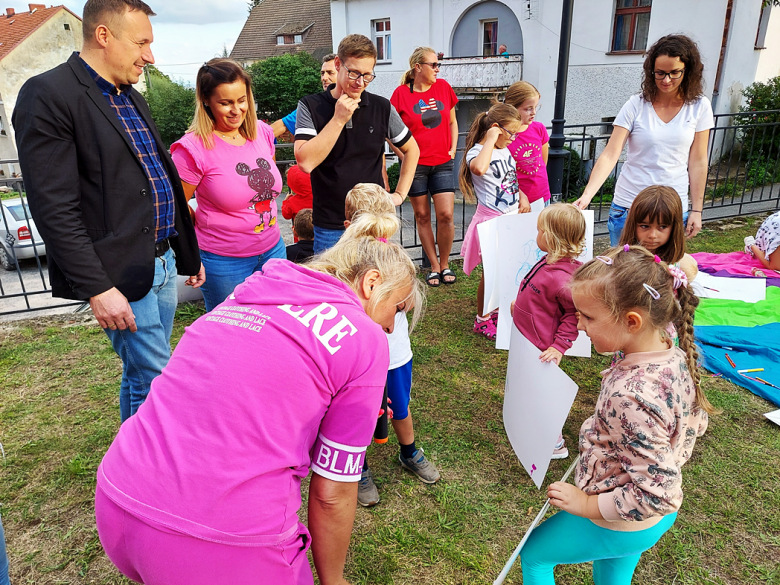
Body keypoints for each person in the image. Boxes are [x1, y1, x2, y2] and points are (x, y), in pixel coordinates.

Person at [94, 211, 425, 585]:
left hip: (118, 499)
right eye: (397, 309)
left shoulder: (248, 293)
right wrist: (334, 580)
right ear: (371, 283)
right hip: (219, 541)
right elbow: (333, 491)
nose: (391, 326)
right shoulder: (364, 337)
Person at [12, 0, 204, 422]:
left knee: (141, 376)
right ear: (103, 36)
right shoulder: (47, 95)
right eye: (141, 43)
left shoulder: (130, 95)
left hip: (162, 260)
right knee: (158, 377)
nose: (150, 57)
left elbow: (158, 177)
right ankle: (153, 478)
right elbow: (54, 207)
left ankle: (132, 467)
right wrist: (98, 287)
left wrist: (185, 252)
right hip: (119, 272)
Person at [520, 245, 716, 584]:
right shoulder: (668, 345)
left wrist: (585, 505)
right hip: (644, 522)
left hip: (620, 519)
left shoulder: (631, 396)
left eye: (588, 316)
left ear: (632, 321)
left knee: (535, 555)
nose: (579, 325)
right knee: (612, 573)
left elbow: (658, 492)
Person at [341, 183, 440, 507]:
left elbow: (409, 303)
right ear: (349, 227)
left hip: (395, 356)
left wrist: (398, 298)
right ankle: (359, 468)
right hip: (359, 362)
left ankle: (409, 452)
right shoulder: (342, 266)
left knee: (399, 405)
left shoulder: (396, 257)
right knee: (360, 415)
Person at [573, 34, 713, 244]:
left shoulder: (700, 107)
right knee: (622, 273)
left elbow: (698, 162)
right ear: (651, 72)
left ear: (688, 70)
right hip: (629, 206)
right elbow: (611, 155)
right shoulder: (635, 105)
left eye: (674, 73)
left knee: (664, 274)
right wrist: (587, 195)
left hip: (672, 210)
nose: (666, 80)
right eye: (660, 73)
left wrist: (697, 210)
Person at [170, 59, 284, 312]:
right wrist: (199, 221)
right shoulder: (192, 149)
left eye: (241, 100)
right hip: (224, 262)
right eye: (225, 103)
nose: (236, 110)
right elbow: (175, 204)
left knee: (274, 324)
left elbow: (267, 185)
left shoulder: (262, 133)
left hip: (273, 250)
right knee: (233, 331)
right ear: (206, 101)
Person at [294, 34, 420, 253]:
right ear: (337, 64)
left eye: (367, 75)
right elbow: (305, 162)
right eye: (353, 73)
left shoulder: (381, 107)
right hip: (330, 226)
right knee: (334, 286)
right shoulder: (311, 106)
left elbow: (412, 150)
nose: (360, 82)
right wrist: (338, 119)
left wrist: (399, 195)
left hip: (373, 223)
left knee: (372, 284)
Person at [510, 204, 586, 458]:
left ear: (551, 238)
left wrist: (558, 347)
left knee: (541, 394)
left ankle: (554, 443)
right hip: (527, 340)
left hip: (541, 348)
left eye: (540, 230)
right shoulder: (550, 261)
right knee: (528, 389)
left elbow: (571, 317)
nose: (536, 234)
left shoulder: (565, 279)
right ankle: (530, 425)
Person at [390, 47, 459, 287]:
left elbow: (452, 122)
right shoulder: (400, 94)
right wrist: (404, 155)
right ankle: (434, 265)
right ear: (418, 67)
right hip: (416, 167)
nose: (438, 69)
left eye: (438, 64)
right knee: (422, 216)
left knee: (446, 215)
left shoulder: (444, 88)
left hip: (442, 162)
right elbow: (390, 131)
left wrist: (452, 149)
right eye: (434, 65)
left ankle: (447, 261)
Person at [459, 103, 527, 341]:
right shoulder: (477, 152)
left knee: (505, 271)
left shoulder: (504, 150)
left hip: (509, 218)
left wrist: (521, 195)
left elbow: (510, 178)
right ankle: (482, 319)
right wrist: (489, 140)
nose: (513, 138)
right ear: (496, 129)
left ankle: (495, 310)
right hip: (491, 222)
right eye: (510, 133)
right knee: (491, 273)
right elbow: (478, 169)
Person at [618, 185, 699, 283]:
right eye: (644, 226)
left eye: (662, 227)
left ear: (674, 228)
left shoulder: (677, 268)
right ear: (633, 225)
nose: (652, 235)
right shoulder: (622, 263)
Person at [504, 81, 550, 207]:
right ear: (512, 108)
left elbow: (542, 161)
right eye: (528, 108)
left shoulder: (539, 128)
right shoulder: (504, 136)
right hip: (515, 199)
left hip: (542, 196)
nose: (533, 112)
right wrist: (519, 194)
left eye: (536, 107)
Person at [271, 54, 338, 139]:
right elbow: (274, 130)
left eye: (330, 73)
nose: (324, 78)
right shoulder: (312, 105)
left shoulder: (357, 102)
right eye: (322, 73)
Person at [281, 164, 314, 233]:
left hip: (300, 234)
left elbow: (286, 215)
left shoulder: (292, 201)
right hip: (318, 231)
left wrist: (285, 201)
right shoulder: (318, 197)